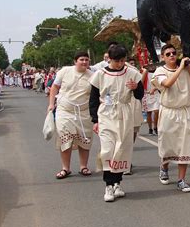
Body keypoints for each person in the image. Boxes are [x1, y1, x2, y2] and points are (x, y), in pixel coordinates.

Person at [89, 44, 143, 202]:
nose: (120, 64)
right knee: (108, 149)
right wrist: (95, 120)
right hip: (106, 113)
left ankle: (118, 183)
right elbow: (93, 98)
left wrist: (135, 88)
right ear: (110, 59)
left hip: (125, 113)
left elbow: (140, 95)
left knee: (122, 148)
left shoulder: (132, 73)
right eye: (117, 61)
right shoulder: (100, 74)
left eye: (122, 60)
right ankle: (108, 185)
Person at [153, 44, 190, 193]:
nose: (172, 56)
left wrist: (189, 68)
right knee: (167, 145)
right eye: (168, 54)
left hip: (184, 111)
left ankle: (181, 180)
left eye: (174, 53)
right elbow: (167, 83)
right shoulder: (160, 71)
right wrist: (180, 68)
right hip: (168, 112)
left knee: (184, 146)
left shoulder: (186, 69)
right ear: (163, 57)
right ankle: (164, 167)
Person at [48, 51, 94, 180]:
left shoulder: (93, 76)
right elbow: (55, 87)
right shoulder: (65, 71)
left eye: (86, 59)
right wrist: (51, 104)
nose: (84, 62)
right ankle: (65, 168)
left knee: (84, 140)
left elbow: (98, 93)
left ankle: (83, 166)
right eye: (81, 59)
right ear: (75, 61)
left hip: (84, 113)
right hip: (65, 111)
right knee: (65, 138)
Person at [143, 64, 160, 136]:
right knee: (149, 112)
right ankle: (150, 128)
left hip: (156, 93)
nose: (151, 66)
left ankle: (155, 127)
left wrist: (155, 88)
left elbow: (160, 83)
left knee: (156, 111)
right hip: (147, 94)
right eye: (150, 65)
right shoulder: (145, 72)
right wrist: (145, 71)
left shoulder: (158, 72)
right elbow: (141, 81)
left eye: (152, 65)